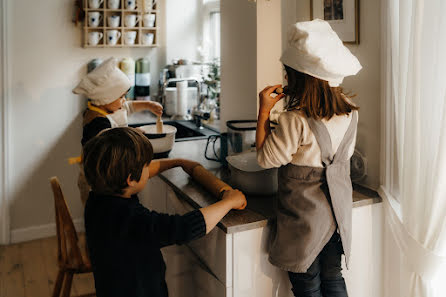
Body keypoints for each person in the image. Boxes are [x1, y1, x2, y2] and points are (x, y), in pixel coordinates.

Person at [256, 19, 362, 297]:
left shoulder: (295, 120)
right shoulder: (351, 112)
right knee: (333, 277)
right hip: (338, 215)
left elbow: (266, 159)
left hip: (305, 222)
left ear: (299, 77)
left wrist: (264, 112)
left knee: (308, 286)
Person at [82, 127, 247, 297]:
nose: (149, 168)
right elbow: (184, 227)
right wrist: (229, 201)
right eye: (146, 165)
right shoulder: (131, 220)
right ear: (130, 179)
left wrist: (177, 162)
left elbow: (135, 174)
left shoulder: (97, 201)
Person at [72, 57, 163, 204]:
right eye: (121, 96)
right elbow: (109, 142)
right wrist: (133, 134)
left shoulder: (109, 107)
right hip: (96, 182)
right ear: (106, 98)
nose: (124, 100)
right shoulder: (96, 121)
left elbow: (128, 106)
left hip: (111, 175)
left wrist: (148, 104)